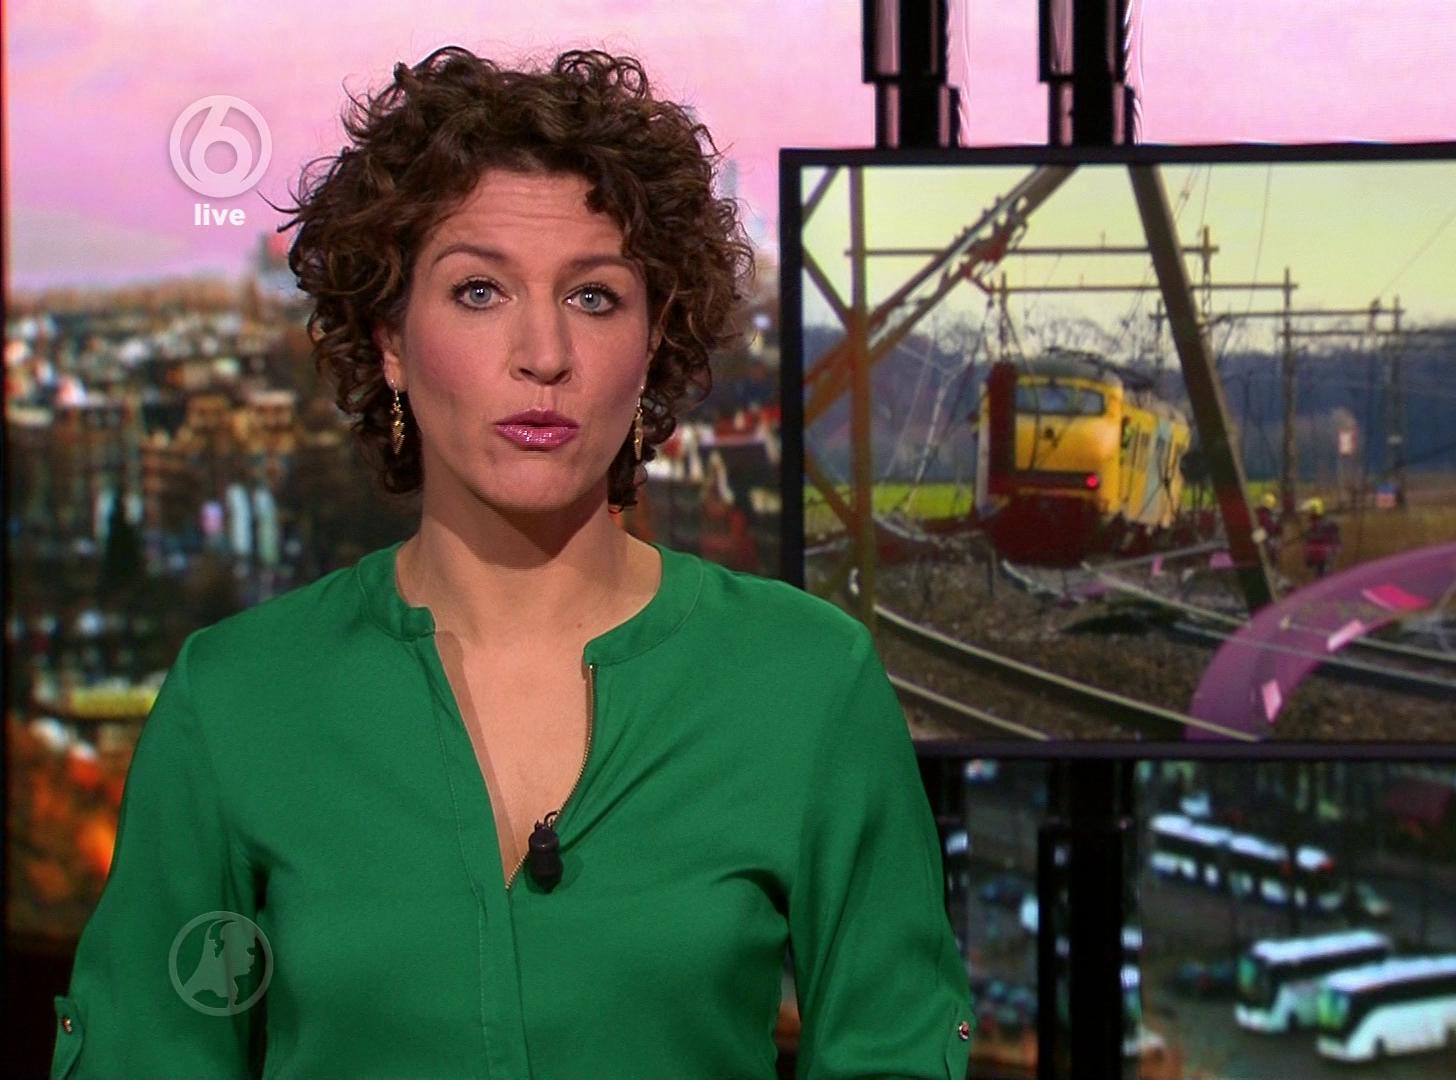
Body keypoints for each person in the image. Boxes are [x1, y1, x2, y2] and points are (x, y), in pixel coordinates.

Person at [49, 46, 974, 1080]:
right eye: (480, 291)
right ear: (391, 341)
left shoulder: (807, 683)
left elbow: (894, 1049)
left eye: (594, 298)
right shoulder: (236, 701)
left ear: (653, 342)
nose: (544, 353)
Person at [1301, 497, 1342, 579]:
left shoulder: (1324, 524)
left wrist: (1309, 537)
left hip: (1325, 554)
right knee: (1320, 574)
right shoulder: (1315, 524)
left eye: (1309, 511)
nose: (1307, 514)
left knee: (1324, 575)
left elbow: (1323, 539)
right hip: (1322, 555)